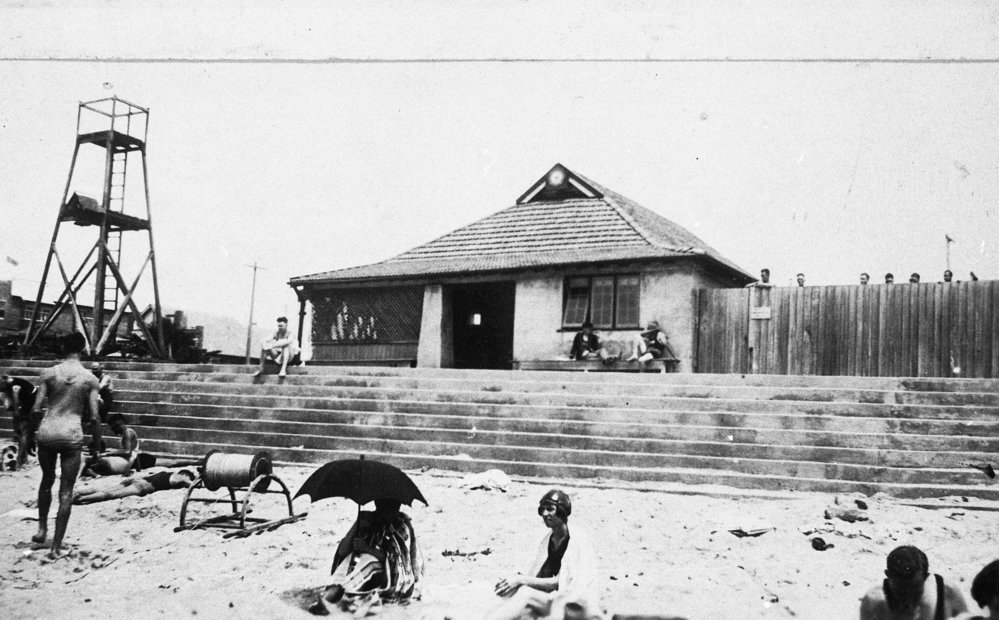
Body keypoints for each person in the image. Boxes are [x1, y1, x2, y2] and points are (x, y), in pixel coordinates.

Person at [30, 332, 102, 558]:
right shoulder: (90, 378)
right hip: (71, 433)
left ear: (63, 347)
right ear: (82, 348)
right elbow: (94, 417)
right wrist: (96, 443)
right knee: (66, 492)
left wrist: (33, 435)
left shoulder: (49, 374)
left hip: (48, 431)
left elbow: (35, 409)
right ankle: (56, 547)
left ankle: (42, 530)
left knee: (46, 481)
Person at [489, 489, 598, 620]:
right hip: (558, 598)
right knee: (512, 592)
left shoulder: (577, 539)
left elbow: (559, 582)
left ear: (562, 511)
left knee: (525, 593)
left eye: (550, 509)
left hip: (576, 604)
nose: (545, 514)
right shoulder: (548, 541)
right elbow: (540, 575)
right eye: (542, 510)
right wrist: (515, 581)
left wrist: (521, 579)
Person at [316, 498, 424, 609]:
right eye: (380, 508)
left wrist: (366, 548)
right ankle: (335, 592)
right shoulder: (369, 519)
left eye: (387, 509)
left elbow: (394, 561)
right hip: (367, 566)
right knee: (351, 561)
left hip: (389, 575)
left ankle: (340, 593)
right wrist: (354, 529)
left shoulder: (401, 526)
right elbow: (342, 551)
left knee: (368, 563)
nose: (382, 512)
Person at [859, 545, 968, 620]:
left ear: (926, 577)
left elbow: (966, 616)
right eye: (900, 590)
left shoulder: (944, 591)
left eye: (914, 588)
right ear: (888, 575)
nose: (908, 594)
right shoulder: (874, 602)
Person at [73, 468, 196, 504]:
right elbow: (189, 482)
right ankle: (80, 499)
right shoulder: (180, 476)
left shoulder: (164, 472)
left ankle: (80, 492)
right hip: (143, 486)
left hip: (138, 479)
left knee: (106, 490)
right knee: (110, 495)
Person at [1, 374, 38, 469]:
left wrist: (17, 414)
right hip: (26, 400)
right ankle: (23, 456)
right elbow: (11, 405)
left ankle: (21, 459)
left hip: (31, 401)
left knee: (25, 432)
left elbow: (16, 402)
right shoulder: (8, 386)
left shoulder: (14, 386)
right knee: (23, 432)